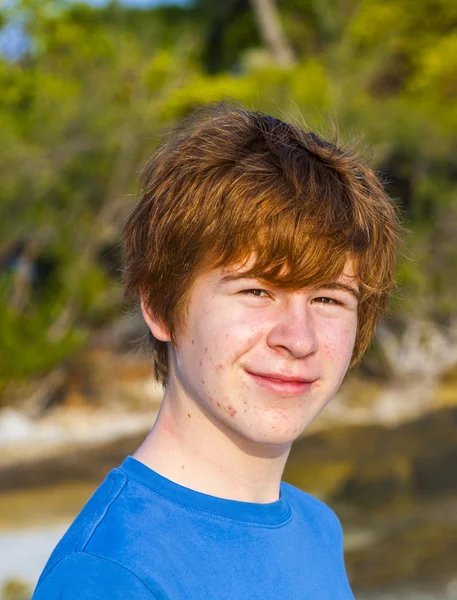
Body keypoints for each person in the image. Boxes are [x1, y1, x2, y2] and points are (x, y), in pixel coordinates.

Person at [31, 104, 402, 599]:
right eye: (256, 291)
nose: (299, 338)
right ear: (160, 306)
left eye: (328, 298)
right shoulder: (111, 574)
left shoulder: (318, 528)